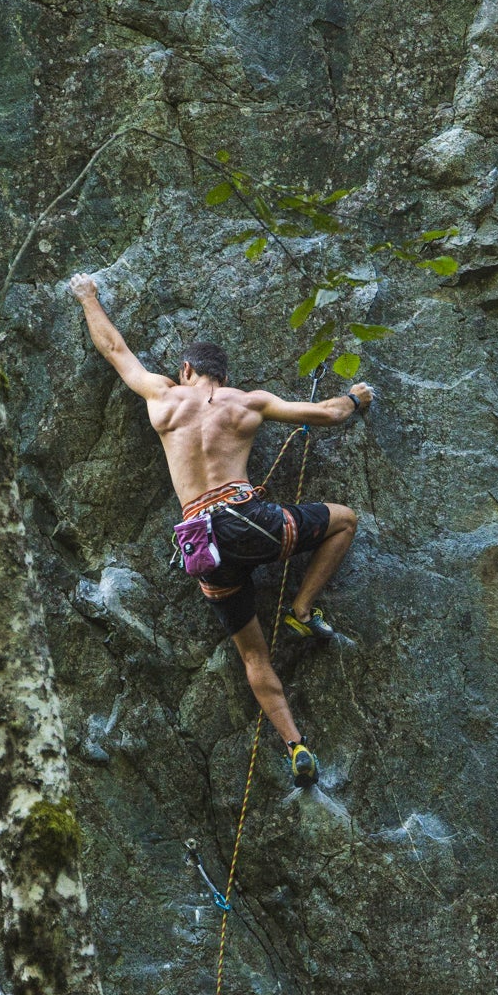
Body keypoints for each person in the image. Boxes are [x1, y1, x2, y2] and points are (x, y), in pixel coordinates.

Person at [69, 273, 372, 788]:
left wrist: (87, 297)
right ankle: (301, 609)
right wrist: (357, 397)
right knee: (344, 519)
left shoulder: (163, 399)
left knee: (253, 652)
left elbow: (116, 349)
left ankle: (296, 745)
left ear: (186, 370)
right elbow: (328, 413)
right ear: (220, 374)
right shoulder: (246, 402)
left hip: (203, 546)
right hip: (251, 522)